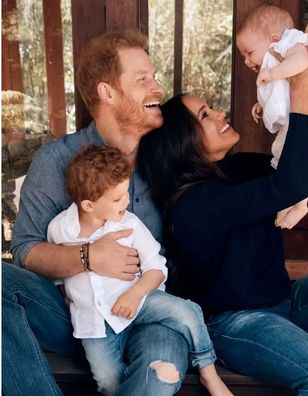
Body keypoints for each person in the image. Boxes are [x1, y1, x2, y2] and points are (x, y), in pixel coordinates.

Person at [137, 41, 308, 396]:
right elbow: (287, 187)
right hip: (237, 326)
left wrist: (291, 110)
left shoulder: (237, 168)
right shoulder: (192, 205)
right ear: (182, 143)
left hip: (286, 307)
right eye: (205, 115)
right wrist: (299, 93)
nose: (220, 114)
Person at [3, 30, 191, 396]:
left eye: (154, 77)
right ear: (107, 93)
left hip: (150, 309)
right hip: (77, 315)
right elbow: (25, 251)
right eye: (143, 80)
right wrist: (89, 257)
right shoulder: (56, 160)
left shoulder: (167, 158)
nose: (157, 87)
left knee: (159, 377)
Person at [47, 144, 232, 396]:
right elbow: (58, 270)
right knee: (108, 381)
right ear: (89, 205)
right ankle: (145, 379)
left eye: (126, 192)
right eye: (116, 198)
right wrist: (66, 295)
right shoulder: (60, 229)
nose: (126, 201)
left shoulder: (129, 224)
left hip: (140, 299)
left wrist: (134, 295)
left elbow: (156, 268)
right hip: (94, 323)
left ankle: (208, 372)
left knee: (187, 311)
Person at [236, 4, 308, 229]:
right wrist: (262, 104)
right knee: (284, 159)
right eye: (243, 57)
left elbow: (301, 63)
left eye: (249, 53)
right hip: (295, 120)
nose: (247, 62)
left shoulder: (292, 44)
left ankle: (300, 204)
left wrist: (272, 73)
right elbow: (282, 93)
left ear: (274, 38)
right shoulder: (274, 60)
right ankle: (289, 200)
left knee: (299, 160)